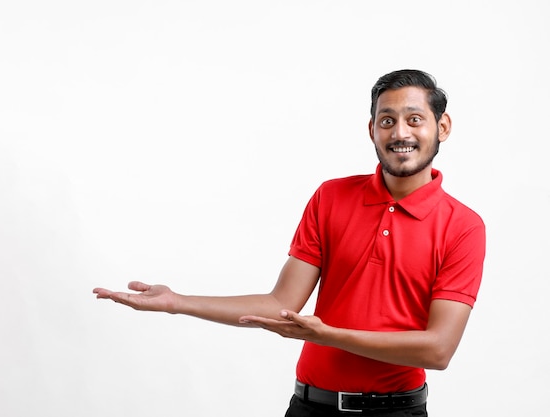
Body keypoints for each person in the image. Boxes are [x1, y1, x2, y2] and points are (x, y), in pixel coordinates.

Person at [93, 69, 486, 416]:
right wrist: (176, 302)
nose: (400, 133)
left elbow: (438, 350)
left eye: (414, 119)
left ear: (442, 126)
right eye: (387, 120)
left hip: (395, 412)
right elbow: (281, 304)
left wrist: (327, 335)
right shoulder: (331, 197)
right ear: (372, 130)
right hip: (309, 408)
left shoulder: (463, 226)